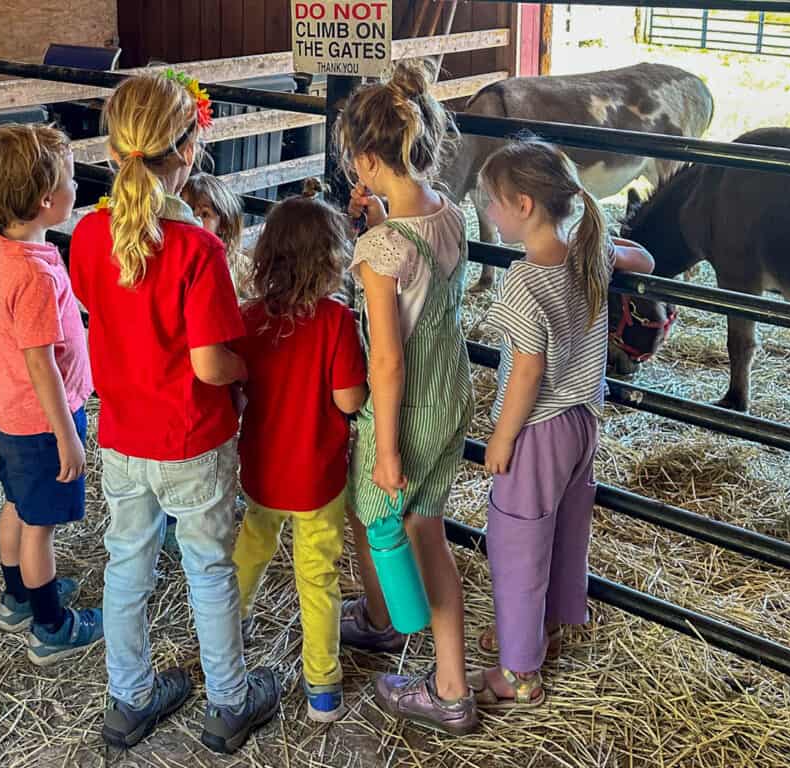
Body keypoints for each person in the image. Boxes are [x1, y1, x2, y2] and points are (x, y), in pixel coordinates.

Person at [68, 71, 280, 754]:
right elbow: (211, 365)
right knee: (208, 567)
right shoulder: (196, 247)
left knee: (126, 563)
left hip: (123, 434)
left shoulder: (89, 236)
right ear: (188, 150)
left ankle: (127, 701)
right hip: (190, 436)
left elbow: (103, 313)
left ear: (113, 148)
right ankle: (228, 700)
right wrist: (251, 368)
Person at [470, 136, 655, 709]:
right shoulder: (587, 251)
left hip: (537, 428)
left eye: (492, 202)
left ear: (524, 206)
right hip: (582, 422)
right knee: (563, 529)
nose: (488, 213)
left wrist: (500, 437)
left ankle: (520, 673)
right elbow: (643, 260)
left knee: (517, 542)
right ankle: (541, 631)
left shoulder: (524, 279)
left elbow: (527, 370)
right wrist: (601, 243)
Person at [337, 61, 479, 736]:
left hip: (410, 405)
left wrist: (385, 447)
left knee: (392, 524)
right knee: (425, 528)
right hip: (453, 391)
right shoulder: (452, 212)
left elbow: (387, 360)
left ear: (367, 159)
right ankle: (401, 635)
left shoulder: (381, 247)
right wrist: (382, 215)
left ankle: (435, 676)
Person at [0, 124, 103, 667]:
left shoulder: (0, 253)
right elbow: (42, 365)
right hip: (41, 424)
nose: (75, 190)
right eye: (69, 183)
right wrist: (68, 436)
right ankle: (50, 627)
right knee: (40, 527)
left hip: (8, 414)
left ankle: (17, 599)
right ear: (45, 201)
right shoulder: (36, 276)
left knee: (17, 504)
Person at [230, 191, 368, 722]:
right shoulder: (335, 321)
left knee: (250, 552)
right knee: (318, 576)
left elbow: (237, 393)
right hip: (318, 477)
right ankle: (323, 687)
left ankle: (225, 637)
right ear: (331, 260)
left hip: (262, 472)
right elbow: (349, 400)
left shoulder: (247, 319)